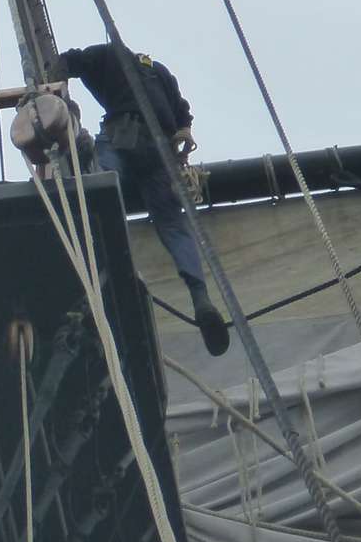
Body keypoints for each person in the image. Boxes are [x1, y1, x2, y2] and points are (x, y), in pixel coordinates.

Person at [49, 42, 229, 357]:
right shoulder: (159, 71)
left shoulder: (107, 55)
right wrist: (183, 132)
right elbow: (183, 113)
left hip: (122, 136)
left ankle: (97, 285)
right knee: (173, 226)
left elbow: (66, 62)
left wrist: (56, 99)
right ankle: (201, 299)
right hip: (160, 154)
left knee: (101, 191)